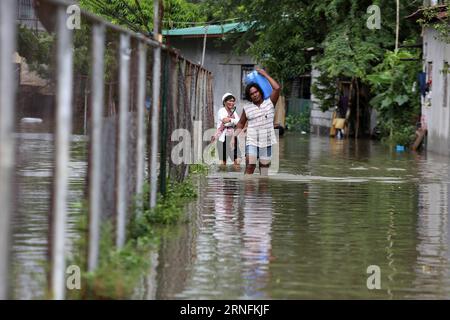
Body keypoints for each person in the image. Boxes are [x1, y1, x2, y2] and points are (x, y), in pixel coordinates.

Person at [232, 68, 281, 175]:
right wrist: (234, 137)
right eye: (252, 94)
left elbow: (277, 88)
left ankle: (261, 191)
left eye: (256, 92)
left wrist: (265, 74)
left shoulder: (270, 103)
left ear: (260, 92)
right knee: (250, 165)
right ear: (249, 96)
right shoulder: (247, 108)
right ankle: (248, 190)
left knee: (264, 170)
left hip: (267, 141)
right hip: (252, 141)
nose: (254, 95)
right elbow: (240, 123)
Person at [211, 93, 241, 166]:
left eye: (233, 101)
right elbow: (224, 120)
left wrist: (231, 120)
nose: (232, 103)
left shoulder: (234, 112)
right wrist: (234, 121)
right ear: (224, 102)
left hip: (233, 138)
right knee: (223, 163)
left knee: (237, 160)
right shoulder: (222, 111)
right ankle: (224, 176)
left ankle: (234, 176)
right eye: (230, 101)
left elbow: (239, 123)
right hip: (223, 139)